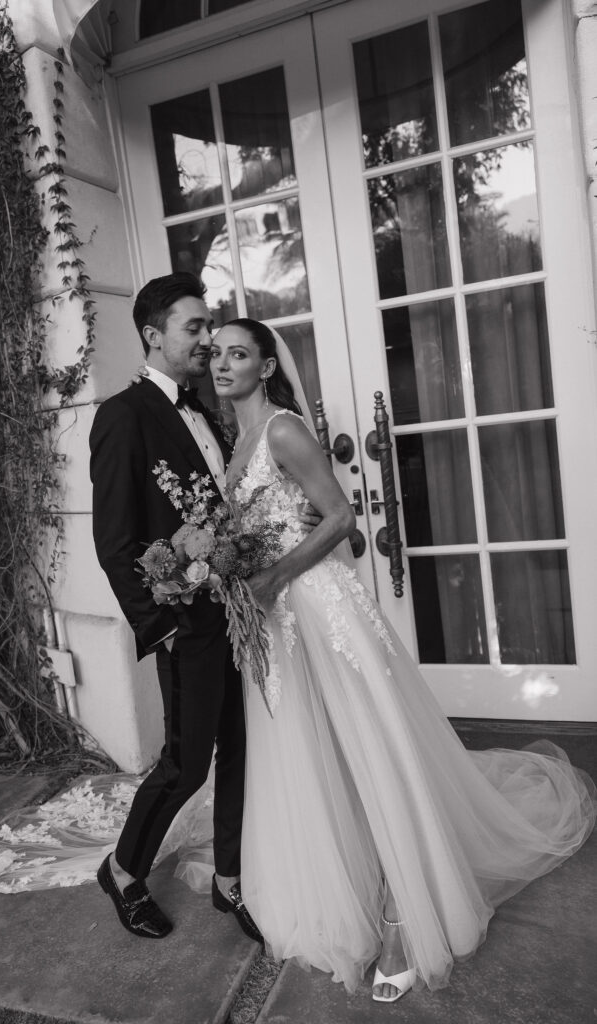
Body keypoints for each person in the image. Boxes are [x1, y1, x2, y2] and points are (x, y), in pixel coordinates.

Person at [208, 317, 596, 1001]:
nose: (221, 364)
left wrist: (270, 577)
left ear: (266, 368)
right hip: (275, 626)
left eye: (237, 354)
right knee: (314, 757)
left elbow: (339, 518)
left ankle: (403, 919)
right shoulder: (234, 439)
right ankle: (340, 887)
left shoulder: (282, 429)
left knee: (372, 757)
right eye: (214, 353)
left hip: (319, 611)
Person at [88, 273, 260, 942]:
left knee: (242, 748)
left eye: (208, 326)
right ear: (154, 336)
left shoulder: (207, 406)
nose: (207, 339)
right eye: (194, 328)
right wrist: (159, 625)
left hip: (237, 610)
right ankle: (124, 870)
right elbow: (114, 540)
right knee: (185, 764)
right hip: (182, 621)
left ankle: (229, 879)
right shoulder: (122, 416)